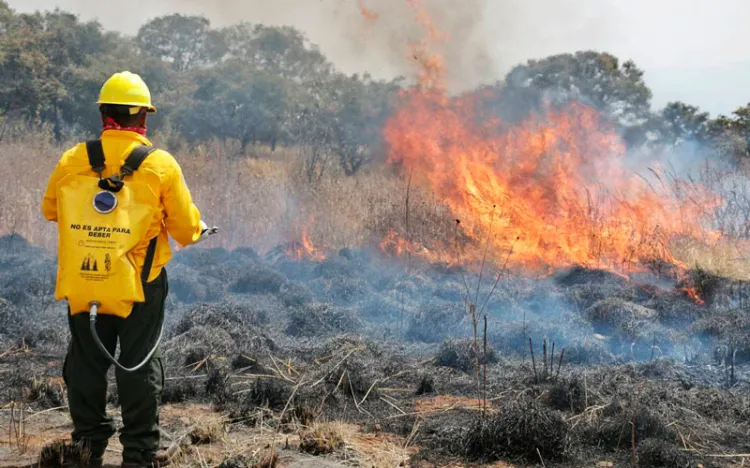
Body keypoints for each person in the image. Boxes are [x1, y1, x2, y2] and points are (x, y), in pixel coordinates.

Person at [41, 71, 214, 468]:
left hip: (85, 281)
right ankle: (138, 453)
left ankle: (87, 445)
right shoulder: (159, 165)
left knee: (85, 362)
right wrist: (199, 228)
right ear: (143, 119)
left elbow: (51, 210)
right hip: (141, 283)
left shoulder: (73, 158)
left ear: (104, 115)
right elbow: (186, 231)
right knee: (138, 363)